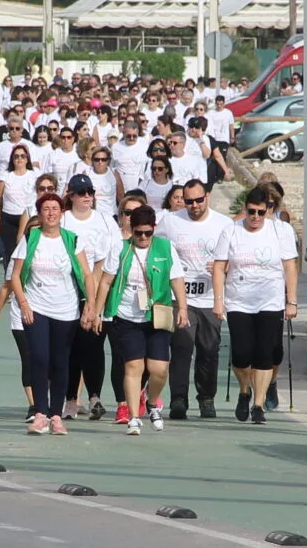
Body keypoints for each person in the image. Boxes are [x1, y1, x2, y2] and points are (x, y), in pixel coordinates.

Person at [0, 190, 95, 436]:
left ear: (62, 213)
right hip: (36, 308)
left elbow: (87, 274)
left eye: (55, 209)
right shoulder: (31, 238)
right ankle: (40, 413)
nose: (50, 214)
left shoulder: (71, 239)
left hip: (65, 309)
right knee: (38, 358)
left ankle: (56, 416)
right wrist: (24, 304)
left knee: (60, 362)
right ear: (39, 213)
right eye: (46, 209)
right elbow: (15, 275)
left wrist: (90, 303)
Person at [210, 185, 298, 423]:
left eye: (261, 212)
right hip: (239, 301)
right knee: (241, 354)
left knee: (264, 354)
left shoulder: (281, 231)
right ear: (245, 209)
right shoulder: (231, 231)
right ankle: (244, 390)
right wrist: (218, 300)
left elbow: (290, 266)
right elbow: (219, 267)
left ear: (269, 210)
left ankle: (258, 404)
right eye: (251, 212)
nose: (256, 217)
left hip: (271, 300)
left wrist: (291, 301)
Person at [89, 204, 176, 435]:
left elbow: (176, 278)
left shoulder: (166, 248)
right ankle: (133, 417)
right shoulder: (121, 249)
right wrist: (98, 312)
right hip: (127, 316)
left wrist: (184, 309)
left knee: (159, 369)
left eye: (148, 232)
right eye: (139, 233)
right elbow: (106, 282)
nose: (144, 237)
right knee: (133, 365)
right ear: (132, 229)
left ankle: (151, 401)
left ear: (154, 229)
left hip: (157, 314)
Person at [157, 177, 227, 421]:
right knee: (181, 348)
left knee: (209, 350)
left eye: (199, 200)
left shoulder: (223, 224)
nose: (194, 205)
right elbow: (157, 248)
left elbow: (233, 258)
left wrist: (222, 267)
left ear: (207, 197)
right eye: (189, 201)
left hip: (209, 298)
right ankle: (178, 399)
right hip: (181, 298)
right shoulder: (170, 221)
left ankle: (206, 398)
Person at [58, 175, 122, 421]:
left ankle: (95, 396)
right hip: (67, 290)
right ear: (71, 195)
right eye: (81, 192)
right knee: (72, 348)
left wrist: (94, 301)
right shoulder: (63, 219)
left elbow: (110, 257)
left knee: (94, 343)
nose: (87, 197)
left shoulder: (105, 219)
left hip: (98, 287)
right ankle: (71, 400)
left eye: (90, 192)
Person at [0, 142, 40, 265]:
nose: (19, 159)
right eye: (16, 156)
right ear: (12, 159)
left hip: (30, 219)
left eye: (23, 156)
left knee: (29, 253)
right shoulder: (5, 175)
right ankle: (9, 280)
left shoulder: (35, 174)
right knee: (10, 255)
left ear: (27, 159)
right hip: (9, 218)